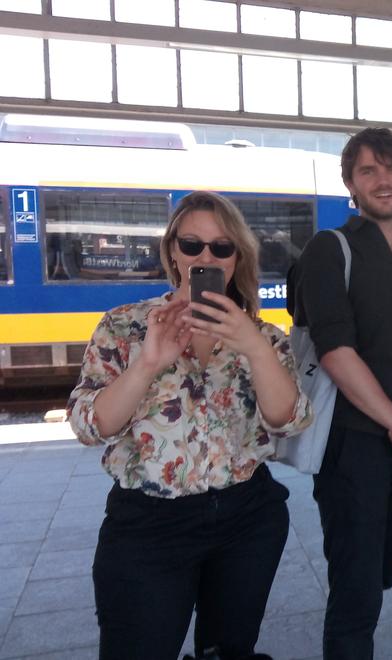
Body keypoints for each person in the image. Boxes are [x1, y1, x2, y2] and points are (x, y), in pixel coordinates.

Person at [67, 190, 313, 660]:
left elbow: (290, 420)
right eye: (192, 244)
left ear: (237, 256)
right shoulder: (125, 327)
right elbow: (88, 426)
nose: (205, 256)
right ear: (173, 252)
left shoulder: (261, 335)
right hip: (148, 526)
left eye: (222, 247)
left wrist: (255, 347)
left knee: (228, 652)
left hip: (246, 517)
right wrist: (147, 363)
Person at [287, 128, 392, 659]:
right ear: (351, 185)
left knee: (377, 570)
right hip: (352, 447)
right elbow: (335, 349)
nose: (383, 180)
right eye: (368, 171)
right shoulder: (328, 251)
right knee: (355, 591)